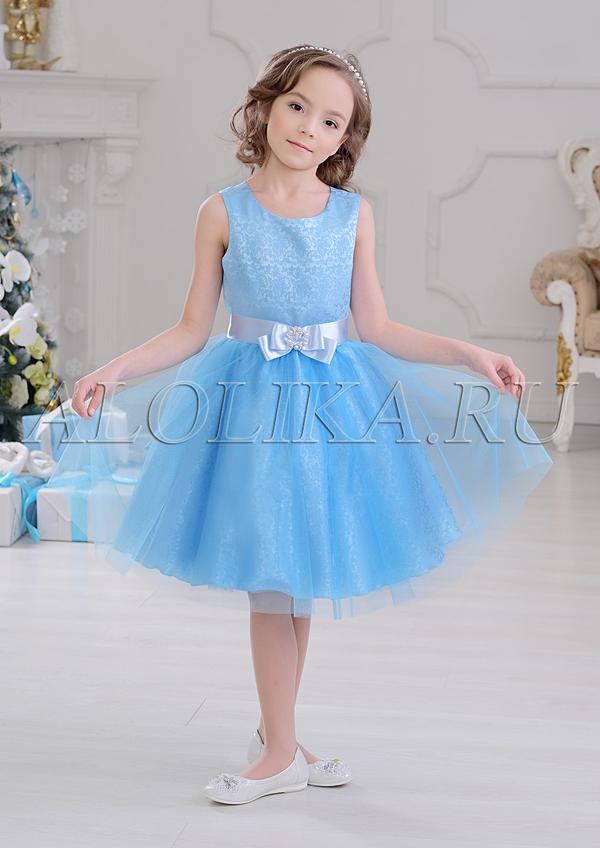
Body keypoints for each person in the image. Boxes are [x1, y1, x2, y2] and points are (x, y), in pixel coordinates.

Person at [49, 44, 553, 804]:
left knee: (299, 574)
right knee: (270, 578)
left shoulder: (352, 216)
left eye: (331, 121)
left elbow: (378, 327)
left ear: (345, 138)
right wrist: (112, 371)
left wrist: (472, 354)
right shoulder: (222, 212)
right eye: (297, 107)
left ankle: (277, 737)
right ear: (265, 105)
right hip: (249, 410)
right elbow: (191, 329)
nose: (309, 128)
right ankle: (282, 747)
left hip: (331, 412)